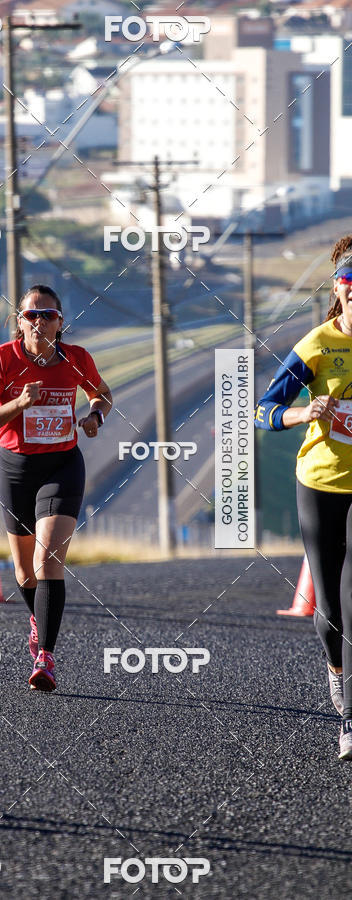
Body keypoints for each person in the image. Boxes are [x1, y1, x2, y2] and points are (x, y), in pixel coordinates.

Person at [0, 285, 112, 691]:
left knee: (48, 559)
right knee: (24, 570)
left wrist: (94, 416)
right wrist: (17, 404)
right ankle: (37, 618)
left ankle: (45, 657)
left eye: (47, 315)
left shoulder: (76, 358)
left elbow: (102, 394)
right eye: (31, 315)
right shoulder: (3, 358)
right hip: (16, 468)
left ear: (60, 322)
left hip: (62, 464)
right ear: (19, 321)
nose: (38, 322)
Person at [255, 234, 352, 760]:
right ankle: (337, 670)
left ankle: (351, 721)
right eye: (351, 287)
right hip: (320, 480)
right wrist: (304, 413)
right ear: (340, 290)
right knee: (331, 607)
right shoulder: (317, 345)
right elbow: (265, 410)